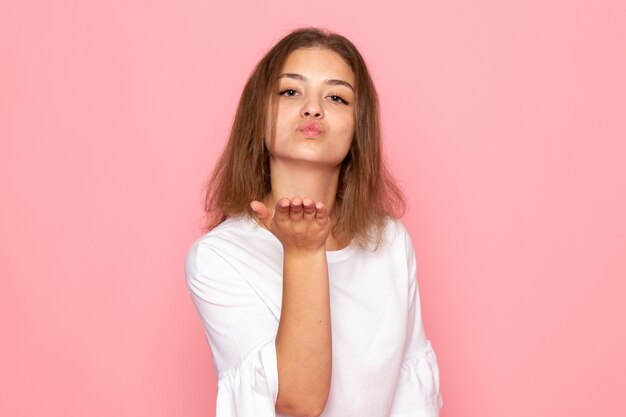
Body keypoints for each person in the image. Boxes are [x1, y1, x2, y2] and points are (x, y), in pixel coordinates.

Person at [185, 27, 443, 417]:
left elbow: (412, 398)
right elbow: (297, 401)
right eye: (291, 91)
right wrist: (303, 252)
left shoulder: (390, 242)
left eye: (336, 97)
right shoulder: (218, 257)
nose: (312, 108)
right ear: (260, 114)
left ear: (358, 129)